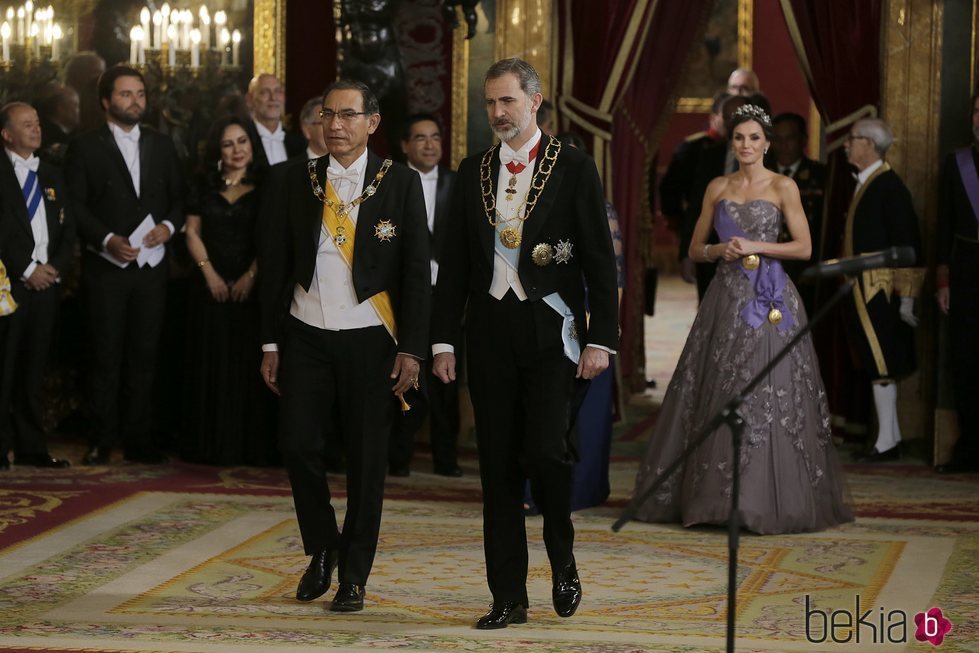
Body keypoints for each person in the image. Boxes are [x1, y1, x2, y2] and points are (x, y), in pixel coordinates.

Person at [431, 58, 618, 629]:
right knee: (497, 468)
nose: (497, 113)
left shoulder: (574, 166)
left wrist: (601, 340)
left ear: (535, 102)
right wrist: (442, 341)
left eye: (507, 101)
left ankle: (562, 557)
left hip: (548, 329)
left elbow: (598, 261)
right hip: (488, 333)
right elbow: (457, 264)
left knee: (545, 452)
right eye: (490, 103)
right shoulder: (472, 170)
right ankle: (508, 595)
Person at [631, 104, 853, 534]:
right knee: (721, 387)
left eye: (754, 138)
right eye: (739, 138)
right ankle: (716, 500)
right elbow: (695, 248)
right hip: (727, 297)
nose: (747, 145)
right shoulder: (717, 186)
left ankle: (763, 503)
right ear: (731, 142)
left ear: (767, 143)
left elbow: (805, 248)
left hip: (770, 299)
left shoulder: (784, 186)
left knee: (770, 391)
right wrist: (718, 251)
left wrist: (757, 244)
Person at [258, 80, 430, 613]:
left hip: (370, 338)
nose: (335, 125)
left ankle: (354, 575)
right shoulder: (294, 180)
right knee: (297, 445)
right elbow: (273, 265)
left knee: (366, 461)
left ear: (372, 123)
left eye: (348, 115)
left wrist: (414, 349)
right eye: (328, 115)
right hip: (304, 331)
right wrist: (270, 342)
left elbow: (416, 274)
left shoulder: (400, 183)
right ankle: (322, 548)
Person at [65, 65, 185, 465]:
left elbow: (181, 199)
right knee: (104, 355)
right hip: (106, 268)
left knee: (145, 354)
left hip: (151, 270)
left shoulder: (161, 144)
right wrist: (106, 240)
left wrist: (168, 227)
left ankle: (138, 438)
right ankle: (101, 438)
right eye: (125, 94)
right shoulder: (85, 146)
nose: (135, 101)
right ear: (105, 101)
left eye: (140, 94)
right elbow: (75, 205)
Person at [180, 115, 274, 465]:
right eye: (228, 144)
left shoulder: (269, 183)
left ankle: (248, 447)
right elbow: (191, 232)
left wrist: (251, 275)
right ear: (218, 150)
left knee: (248, 364)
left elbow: (273, 239)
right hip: (209, 287)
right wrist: (210, 275)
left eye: (242, 142)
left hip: (253, 290)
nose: (237, 150)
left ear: (252, 145)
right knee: (211, 361)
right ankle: (209, 446)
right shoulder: (203, 183)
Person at [842, 119, 924, 463]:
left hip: (879, 288)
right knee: (875, 362)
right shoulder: (868, 183)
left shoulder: (890, 187)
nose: (847, 144)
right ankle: (889, 437)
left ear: (869, 145)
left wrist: (906, 299)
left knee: (882, 361)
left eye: (853, 139)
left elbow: (908, 245)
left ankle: (888, 442)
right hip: (862, 285)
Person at [0, 102, 75, 468]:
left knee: (35, 369)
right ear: (6, 133)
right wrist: (27, 268)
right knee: (5, 367)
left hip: (47, 284)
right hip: (9, 286)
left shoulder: (52, 173)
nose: (36, 129)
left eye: (38, 123)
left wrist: (54, 268)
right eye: (26, 124)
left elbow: (67, 227)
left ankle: (32, 446)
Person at [388, 113, 461, 478]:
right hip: (401, 297)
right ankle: (397, 458)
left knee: (446, 378)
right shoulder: (389, 182)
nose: (430, 145)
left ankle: (446, 460)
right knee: (401, 376)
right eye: (420, 138)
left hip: (446, 297)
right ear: (405, 144)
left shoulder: (457, 182)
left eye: (435, 137)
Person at [935, 91, 979, 474]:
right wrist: (943, 278)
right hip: (967, 268)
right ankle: (969, 450)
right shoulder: (957, 162)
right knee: (966, 360)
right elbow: (943, 224)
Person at [771, 112, 826, 313]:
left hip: (805, 272)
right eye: (777, 139)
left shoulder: (821, 176)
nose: (783, 145)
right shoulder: (758, 174)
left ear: (803, 139)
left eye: (790, 138)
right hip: (764, 270)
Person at [246, 73, 307, 168]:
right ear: (250, 99)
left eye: (278, 91)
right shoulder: (243, 141)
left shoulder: (300, 143)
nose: (273, 98)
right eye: (264, 92)